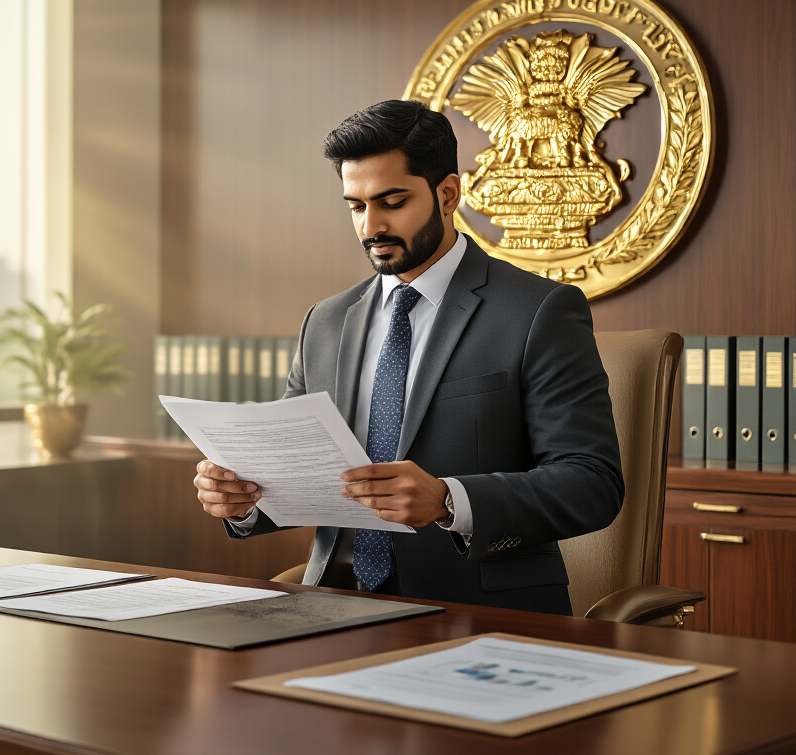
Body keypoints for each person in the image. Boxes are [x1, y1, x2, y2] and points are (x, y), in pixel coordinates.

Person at [192, 100, 623, 615]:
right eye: (356, 207)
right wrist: (242, 498)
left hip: (479, 613)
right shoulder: (325, 321)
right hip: (334, 604)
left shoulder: (539, 311)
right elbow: (296, 472)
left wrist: (448, 499)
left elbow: (592, 482)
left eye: (392, 202)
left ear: (448, 194)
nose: (370, 227)